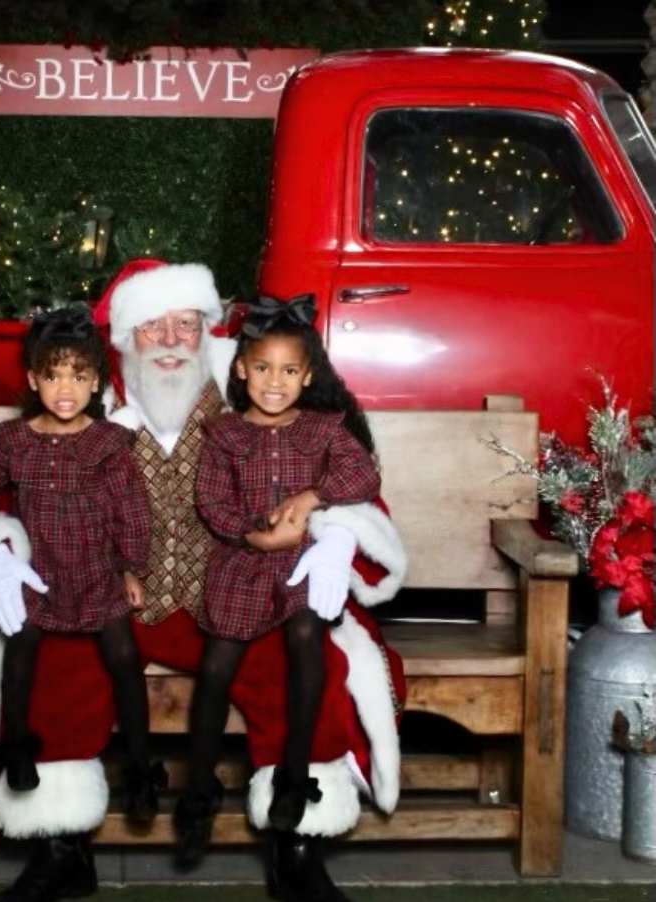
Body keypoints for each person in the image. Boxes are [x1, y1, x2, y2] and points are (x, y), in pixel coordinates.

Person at [0, 260, 408, 902]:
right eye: (151, 325)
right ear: (124, 338)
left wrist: (327, 533)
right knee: (57, 659)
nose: (168, 339)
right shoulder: (82, 411)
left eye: (185, 324)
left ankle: (297, 840)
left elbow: (356, 486)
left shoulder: (259, 396)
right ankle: (60, 846)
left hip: (238, 592)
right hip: (113, 594)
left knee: (300, 662)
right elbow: (8, 497)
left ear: (209, 334)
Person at [176, 295, 381, 865]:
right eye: (263, 368)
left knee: (305, 635)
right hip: (243, 561)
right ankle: (200, 784)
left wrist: (313, 495)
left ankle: (295, 771)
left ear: (307, 375)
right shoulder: (222, 434)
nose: (275, 382)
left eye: (290, 371)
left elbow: (364, 472)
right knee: (217, 664)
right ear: (241, 368)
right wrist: (250, 535)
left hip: (303, 564)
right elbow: (211, 502)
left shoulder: (322, 428)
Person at [0, 305, 165, 821]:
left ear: (96, 385)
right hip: (38, 572)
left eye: (79, 375)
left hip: (96, 571)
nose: (65, 388)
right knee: (20, 647)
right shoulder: (14, 441)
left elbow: (132, 510)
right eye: (53, 375)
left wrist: (133, 568)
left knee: (124, 658)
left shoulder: (109, 444)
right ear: (33, 379)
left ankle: (138, 765)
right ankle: (17, 746)